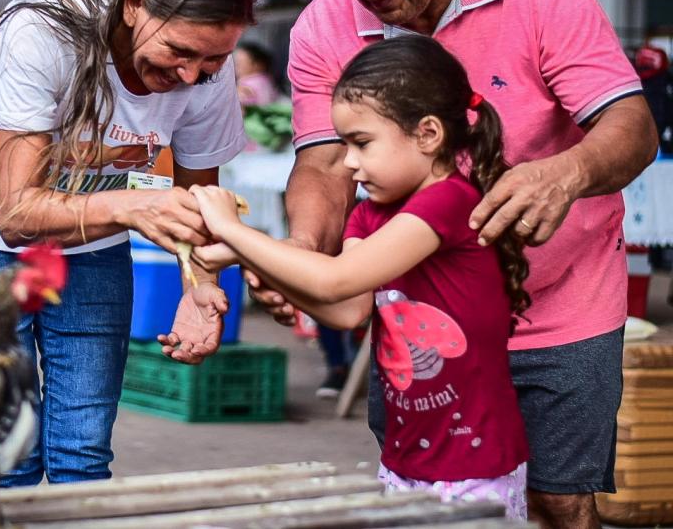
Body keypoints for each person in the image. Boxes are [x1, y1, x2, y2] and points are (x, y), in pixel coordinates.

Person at [236, 0, 657, 526]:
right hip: (419, 317)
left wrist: (567, 172)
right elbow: (321, 165)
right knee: (427, 499)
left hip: (561, 301)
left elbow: (631, 126)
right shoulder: (325, 25)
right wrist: (306, 252)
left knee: (558, 499)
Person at [0, 0, 256, 486]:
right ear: (134, 5)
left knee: (83, 445)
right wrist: (133, 205)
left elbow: (200, 199)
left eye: (212, 60)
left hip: (95, 217)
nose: (191, 76)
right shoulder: (42, 30)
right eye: (179, 51)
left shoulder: (206, 72)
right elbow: (17, 214)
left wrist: (198, 287)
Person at [192, 36, 530, 520]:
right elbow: (348, 308)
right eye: (344, 144)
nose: (349, 162)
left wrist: (234, 232)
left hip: (472, 465)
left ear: (428, 134)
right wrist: (251, 258)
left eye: (362, 143)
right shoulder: (370, 214)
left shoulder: (449, 202)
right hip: (407, 457)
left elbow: (334, 280)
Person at [233, 42, 280, 107]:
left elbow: (243, 96)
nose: (235, 66)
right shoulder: (266, 80)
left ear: (258, 65)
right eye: (236, 62)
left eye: (240, 63)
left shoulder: (250, 83)